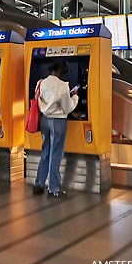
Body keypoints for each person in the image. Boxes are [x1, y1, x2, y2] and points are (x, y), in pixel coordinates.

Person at [32, 59, 79, 198]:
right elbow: (67, 107)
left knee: (46, 152)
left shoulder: (41, 82)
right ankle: (54, 188)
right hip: (58, 121)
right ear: (61, 70)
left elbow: (38, 99)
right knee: (56, 154)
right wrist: (75, 97)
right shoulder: (63, 86)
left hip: (44, 120)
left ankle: (39, 184)